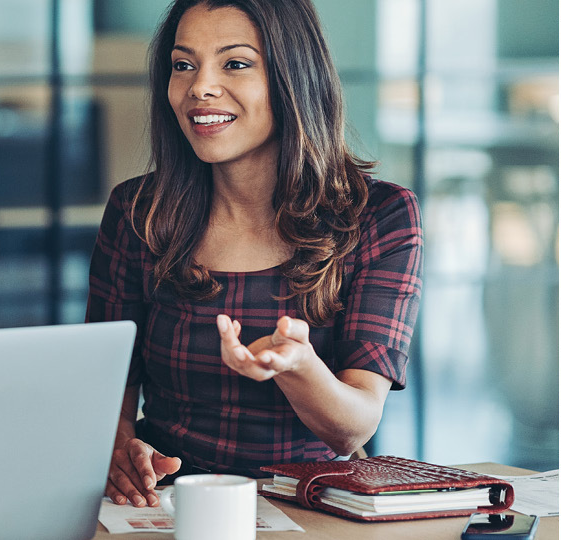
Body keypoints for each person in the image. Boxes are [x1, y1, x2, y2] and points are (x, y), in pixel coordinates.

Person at [86, 0, 423, 508]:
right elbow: (108, 384)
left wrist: (298, 368)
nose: (200, 87)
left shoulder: (379, 215)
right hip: (165, 504)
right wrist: (120, 456)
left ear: (294, 77)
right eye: (183, 65)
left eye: (235, 63)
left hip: (306, 505)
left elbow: (352, 430)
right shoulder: (138, 211)